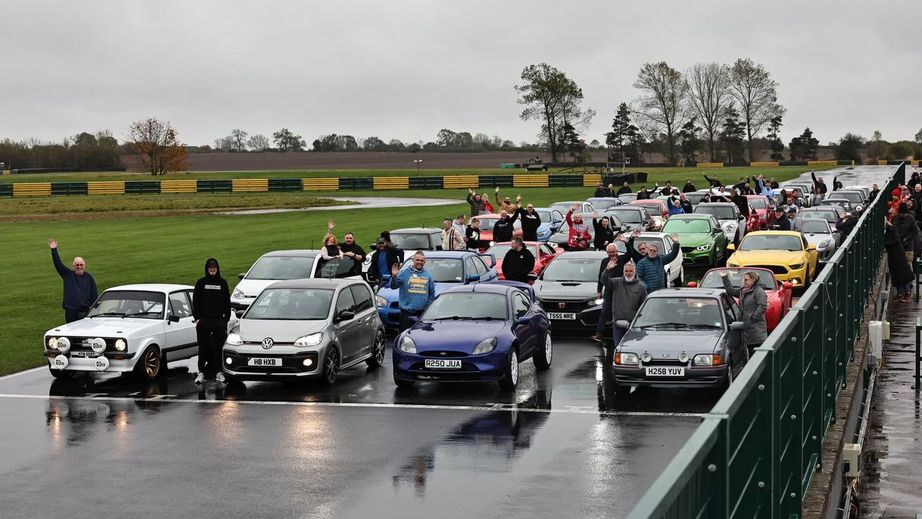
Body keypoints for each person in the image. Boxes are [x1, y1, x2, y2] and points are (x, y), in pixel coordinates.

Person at [193, 258, 231, 384]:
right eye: (210, 267)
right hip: (204, 321)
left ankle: (219, 372)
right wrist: (198, 319)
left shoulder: (223, 283)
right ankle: (201, 372)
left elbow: (227, 302)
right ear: (207, 269)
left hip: (219, 321)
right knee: (202, 347)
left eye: (214, 267)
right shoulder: (201, 283)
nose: (212, 269)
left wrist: (225, 320)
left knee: (218, 348)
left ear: (217, 268)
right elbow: (196, 302)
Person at [592, 239, 634, 342]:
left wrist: (627, 242)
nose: (612, 254)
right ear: (607, 253)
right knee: (605, 311)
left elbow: (631, 253)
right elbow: (600, 276)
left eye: (613, 251)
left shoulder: (622, 259)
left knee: (623, 310)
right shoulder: (605, 261)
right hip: (609, 289)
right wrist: (599, 290)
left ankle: (625, 331)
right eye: (609, 252)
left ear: (617, 251)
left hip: (621, 289)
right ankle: (599, 332)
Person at [48, 238, 98, 323]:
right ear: (73, 266)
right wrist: (54, 250)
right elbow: (58, 264)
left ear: (84, 265)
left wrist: (94, 309)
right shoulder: (67, 275)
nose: (79, 267)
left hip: (85, 311)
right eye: (77, 265)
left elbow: (94, 295)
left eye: (81, 265)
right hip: (71, 311)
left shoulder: (89, 277)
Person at [719, 270, 765, 357]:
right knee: (747, 353)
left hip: (755, 330)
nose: (744, 281)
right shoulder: (742, 291)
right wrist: (725, 278)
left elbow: (762, 306)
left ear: (753, 280)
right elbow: (730, 291)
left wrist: (752, 318)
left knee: (755, 354)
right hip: (746, 329)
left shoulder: (759, 291)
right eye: (744, 279)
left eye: (746, 279)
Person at [390, 251, 435, 331]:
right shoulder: (404, 272)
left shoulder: (428, 275)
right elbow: (393, 286)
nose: (419, 262)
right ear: (413, 260)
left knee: (421, 336)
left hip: (422, 314)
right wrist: (394, 276)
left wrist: (426, 308)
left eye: (421, 261)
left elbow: (431, 295)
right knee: (405, 337)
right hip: (406, 313)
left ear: (424, 262)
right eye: (417, 260)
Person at [608, 261, 647, 346]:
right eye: (626, 271)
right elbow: (604, 281)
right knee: (618, 347)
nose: (628, 273)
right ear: (623, 272)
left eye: (630, 271)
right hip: (617, 323)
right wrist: (608, 270)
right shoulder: (616, 282)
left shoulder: (641, 286)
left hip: (632, 324)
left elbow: (643, 307)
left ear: (634, 272)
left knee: (631, 348)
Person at [885, 222, 914, 302]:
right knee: (900, 275)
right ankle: (902, 293)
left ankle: (905, 292)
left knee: (902, 275)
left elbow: (897, 240)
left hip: (897, 255)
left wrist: (885, 244)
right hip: (897, 255)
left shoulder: (892, 229)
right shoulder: (892, 229)